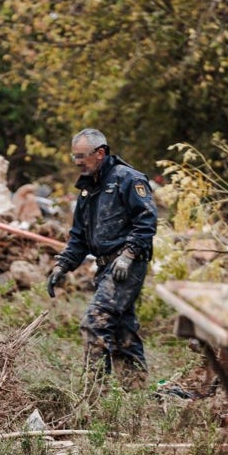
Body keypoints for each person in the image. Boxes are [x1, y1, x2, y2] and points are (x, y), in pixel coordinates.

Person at [46, 128, 157, 379]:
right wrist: (62, 266)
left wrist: (129, 254)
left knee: (95, 322)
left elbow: (146, 221)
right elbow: (79, 237)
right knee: (122, 330)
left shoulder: (128, 179)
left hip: (127, 266)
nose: (77, 162)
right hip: (105, 267)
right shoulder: (87, 189)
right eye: (74, 156)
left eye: (82, 156)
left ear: (100, 153)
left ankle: (94, 393)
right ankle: (137, 391)